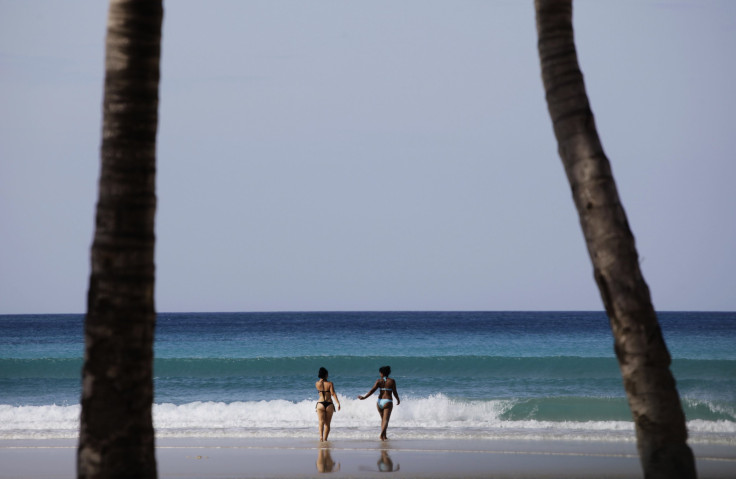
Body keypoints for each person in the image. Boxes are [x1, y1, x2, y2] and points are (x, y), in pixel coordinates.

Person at [357, 365, 400, 441]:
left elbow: (372, 391)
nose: (380, 374)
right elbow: (395, 392)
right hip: (388, 401)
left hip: (379, 402)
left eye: (380, 373)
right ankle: (382, 435)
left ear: (382, 373)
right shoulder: (392, 381)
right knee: (386, 420)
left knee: (383, 420)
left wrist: (364, 397)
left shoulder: (378, 381)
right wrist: (398, 399)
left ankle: (384, 436)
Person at [315, 367, 340, 441]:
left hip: (320, 404)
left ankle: (321, 437)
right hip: (329, 404)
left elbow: (321, 386)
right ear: (326, 375)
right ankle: (325, 439)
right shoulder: (330, 383)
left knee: (321, 422)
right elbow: (333, 393)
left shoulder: (317, 383)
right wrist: (338, 403)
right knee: (327, 424)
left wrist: (321, 379)